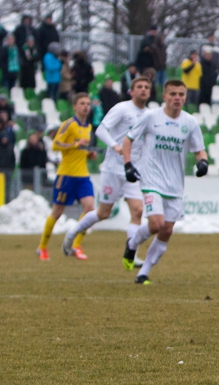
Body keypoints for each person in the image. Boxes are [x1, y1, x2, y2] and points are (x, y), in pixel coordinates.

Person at [122, 80, 208, 285]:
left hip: (175, 185)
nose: (177, 98)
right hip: (151, 179)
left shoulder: (190, 122)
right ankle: (132, 244)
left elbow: (199, 150)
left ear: (185, 97)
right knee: (156, 223)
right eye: (173, 94)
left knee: (167, 230)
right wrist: (128, 164)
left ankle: (144, 272)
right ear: (164, 97)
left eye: (181, 94)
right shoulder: (151, 117)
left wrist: (203, 162)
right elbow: (128, 139)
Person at [63, 77, 153, 268]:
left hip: (133, 170)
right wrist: (115, 146)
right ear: (132, 91)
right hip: (113, 169)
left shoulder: (150, 115)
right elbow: (101, 130)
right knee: (103, 213)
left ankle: (131, 254)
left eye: (146, 87)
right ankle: (72, 234)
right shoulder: (122, 108)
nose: (143, 90)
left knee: (137, 211)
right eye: (139, 87)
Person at [36, 93, 97, 261]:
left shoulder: (88, 127)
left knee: (90, 210)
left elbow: (80, 150)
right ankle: (42, 247)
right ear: (75, 106)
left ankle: (76, 245)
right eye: (82, 103)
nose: (86, 106)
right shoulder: (68, 124)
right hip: (66, 175)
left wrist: (88, 154)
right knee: (57, 212)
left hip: (83, 175)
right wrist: (75, 144)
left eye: (87, 103)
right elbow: (56, 144)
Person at [0, 112, 16, 198]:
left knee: (7, 190)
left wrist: (12, 168)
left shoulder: (9, 147)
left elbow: (12, 158)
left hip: (7, 169)